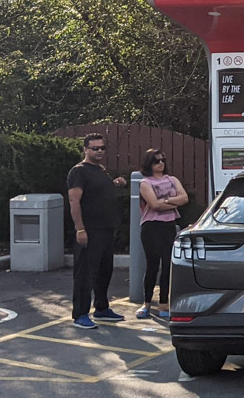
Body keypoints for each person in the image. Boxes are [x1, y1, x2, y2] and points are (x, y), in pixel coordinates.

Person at [67, 133, 128, 329]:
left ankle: (101, 308)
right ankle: (80, 314)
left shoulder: (100, 170)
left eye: (102, 148)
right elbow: (74, 201)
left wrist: (115, 183)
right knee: (85, 273)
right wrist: (80, 229)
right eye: (95, 148)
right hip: (89, 230)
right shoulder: (79, 171)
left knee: (104, 270)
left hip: (106, 229)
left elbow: (99, 193)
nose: (100, 151)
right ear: (86, 149)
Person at [136, 148, 188, 319]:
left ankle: (164, 302)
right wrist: (173, 202)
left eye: (162, 160)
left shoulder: (172, 180)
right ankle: (147, 303)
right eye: (156, 161)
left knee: (168, 264)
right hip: (151, 226)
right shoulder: (145, 183)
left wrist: (165, 200)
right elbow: (153, 204)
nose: (160, 164)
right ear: (149, 163)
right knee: (152, 265)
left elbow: (184, 198)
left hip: (168, 225)